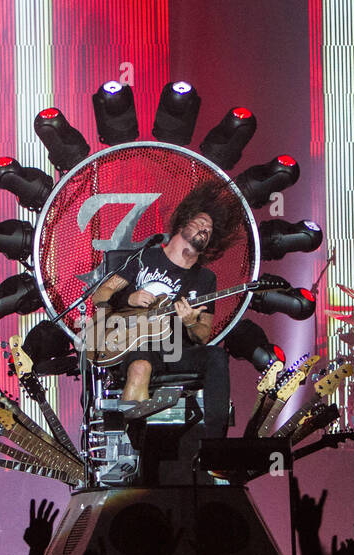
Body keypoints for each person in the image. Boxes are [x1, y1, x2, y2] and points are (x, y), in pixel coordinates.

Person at [90, 179, 241, 441]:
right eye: (200, 222)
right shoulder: (145, 258)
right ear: (183, 223)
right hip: (134, 345)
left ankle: (215, 443)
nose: (205, 229)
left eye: (209, 229)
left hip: (175, 351)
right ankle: (130, 444)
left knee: (216, 356)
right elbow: (100, 294)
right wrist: (129, 300)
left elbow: (203, 334)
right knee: (139, 368)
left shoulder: (205, 279)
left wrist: (192, 322)